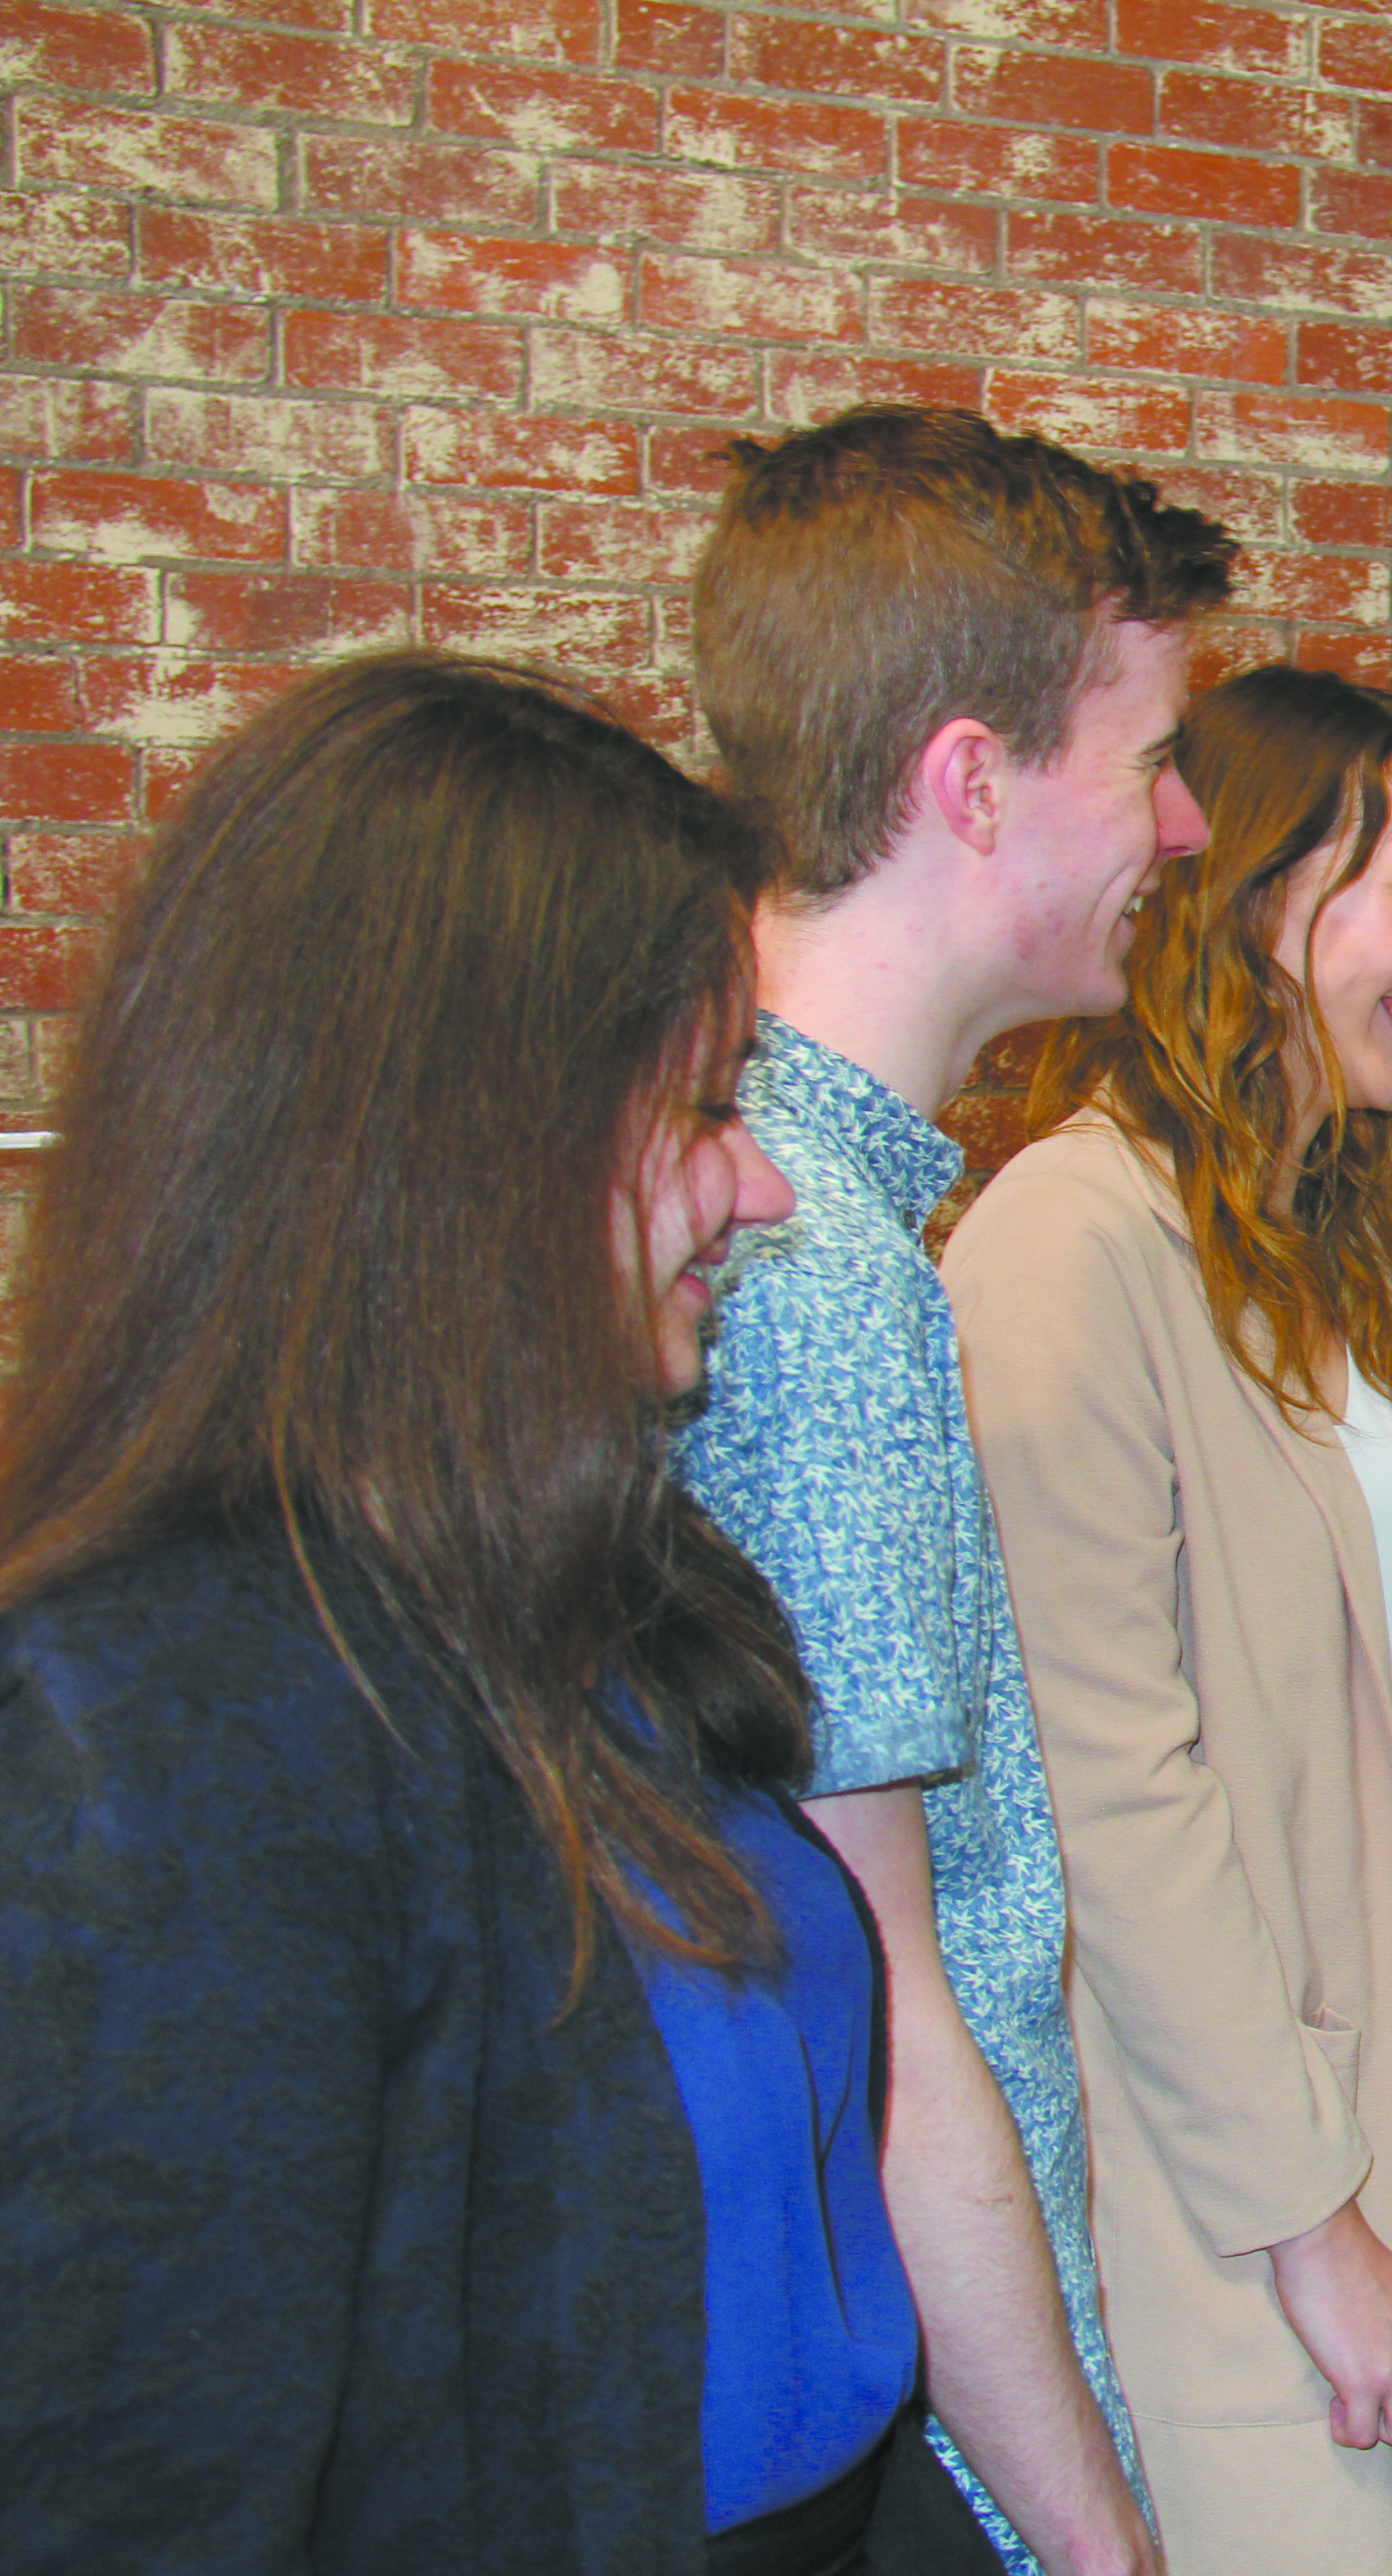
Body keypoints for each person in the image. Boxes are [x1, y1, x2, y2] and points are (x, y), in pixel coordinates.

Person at [0, 650, 984, 2572]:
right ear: (471, 1144)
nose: (765, 1186)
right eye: (704, 1109)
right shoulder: (159, 1729)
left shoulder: (595, 1601)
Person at [678, 406, 1238, 2576]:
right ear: (973, 778)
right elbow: (895, 2008)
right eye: (1149, 757)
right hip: (903, 2436)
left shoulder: (755, 1187)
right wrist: (1090, 2533)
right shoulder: (810, 1266)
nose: (1183, 824)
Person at [943, 665, 1392, 2566]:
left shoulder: (1320, 1257)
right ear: (1266, 896)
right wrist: (1307, 2222)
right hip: (1228, 2153)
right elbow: (1112, 1785)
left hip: (1391, 2071)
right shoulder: (1066, 1239)